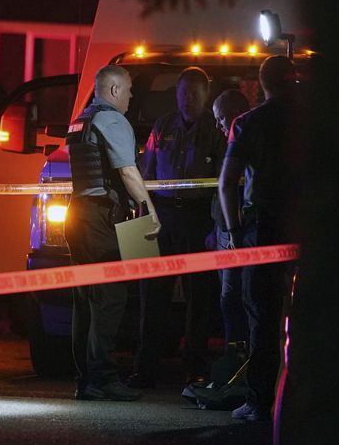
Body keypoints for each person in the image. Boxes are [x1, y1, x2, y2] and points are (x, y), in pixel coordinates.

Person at [65, 65, 160, 401]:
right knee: (110, 297)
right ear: (115, 90)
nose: (132, 96)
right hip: (100, 218)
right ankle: (103, 378)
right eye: (130, 89)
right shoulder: (112, 121)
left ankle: (85, 380)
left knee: (85, 300)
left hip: (77, 216)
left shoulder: (81, 119)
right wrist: (149, 209)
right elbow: (128, 171)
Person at [129, 67, 226, 388]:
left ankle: (195, 368)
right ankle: (145, 368)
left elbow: (222, 185)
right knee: (152, 296)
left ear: (206, 95)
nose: (187, 99)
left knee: (199, 298)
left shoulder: (216, 129)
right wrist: (144, 219)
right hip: (165, 216)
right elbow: (148, 174)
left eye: (194, 94)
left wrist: (216, 227)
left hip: (198, 218)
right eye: (183, 93)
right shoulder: (164, 125)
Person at [220, 55, 297, 422]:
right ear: (292, 79)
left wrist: (234, 233)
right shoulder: (316, 121)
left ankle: (258, 402)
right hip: (305, 224)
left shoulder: (247, 124)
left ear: (263, 83)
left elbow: (227, 183)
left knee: (261, 315)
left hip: (262, 227)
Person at [211, 89, 251, 351]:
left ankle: (238, 357)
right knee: (229, 297)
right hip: (224, 229)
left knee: (234, 296)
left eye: (222, 118)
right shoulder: (225, 142)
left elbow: (227, 187)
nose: (219, 125)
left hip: (239, 230)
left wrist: (233, 233)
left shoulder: (244, 139)